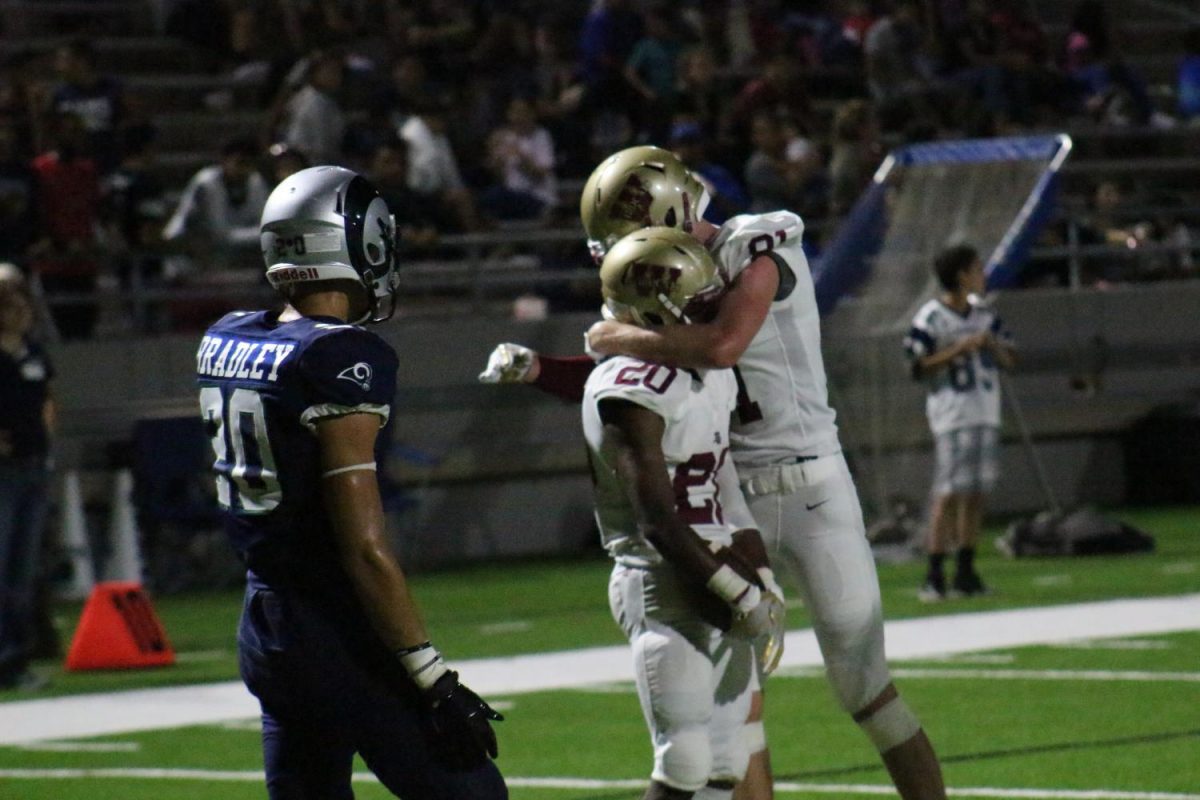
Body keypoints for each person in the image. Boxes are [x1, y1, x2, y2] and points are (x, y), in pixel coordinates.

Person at [480, 146, 947, 800]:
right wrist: (542, 370)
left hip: (808, 485)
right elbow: (642, 383)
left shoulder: (758, 245)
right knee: (735, 716)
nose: (627, 252)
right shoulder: (666, 279)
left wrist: (619, 337)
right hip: (727, 501)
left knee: (866, 688)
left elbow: (721, 343)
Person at [197, 165, 505, 798]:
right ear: (354, 242)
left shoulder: (227, 336)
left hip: (264, 623)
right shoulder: (340, 355)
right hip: (333, 624)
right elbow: (364, 548)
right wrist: (432, 676)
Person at [584, 226, 784, 800]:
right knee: (686, 761)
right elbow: (657, 521)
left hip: (715, 566)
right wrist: (737, 591)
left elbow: (723, 478)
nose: (712, 307)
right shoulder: (626, 389)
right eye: (698, 299)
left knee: (727, 758)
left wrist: (760, 572)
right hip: (661, 579)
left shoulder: (707, 372)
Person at [904, 243, 1015, 602]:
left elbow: (1011, 358)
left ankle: (966, 570)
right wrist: (960, 348)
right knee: (949, 493)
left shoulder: (984, 313)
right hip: (952, 414)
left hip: (985, 409)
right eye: (977, 269)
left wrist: (991, 347)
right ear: (962, 274)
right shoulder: (930, 318)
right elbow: (917, 366)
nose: (982, 276)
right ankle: (934, 574)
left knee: (976, 493)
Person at [0, 267, 54, 691]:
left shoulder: (31, 352)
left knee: (21, 570)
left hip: (32, 464)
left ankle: (16, 656)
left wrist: (45, 439)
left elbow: (46, 400)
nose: (20, 309)